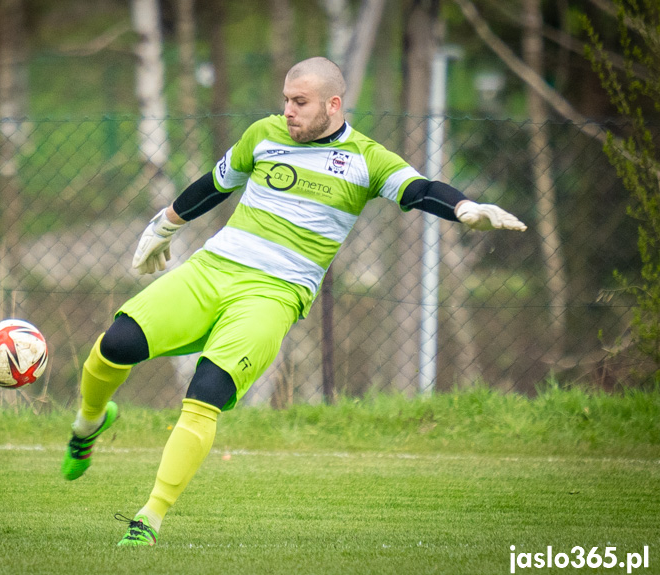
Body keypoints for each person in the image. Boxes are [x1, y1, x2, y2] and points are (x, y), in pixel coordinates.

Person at [60, 56, 527, 547]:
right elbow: (215, 185)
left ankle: (148, 519)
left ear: (333, 104)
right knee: (117, 343)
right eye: (285, 99)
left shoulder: (367, 159)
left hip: (275, 294)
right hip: (212, 268)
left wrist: (466, 209)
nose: (288, 110)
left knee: (206, 394)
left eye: (299, 102)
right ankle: (88, 423)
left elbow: (419, 188)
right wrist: (165, 225)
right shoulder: (263, 134)